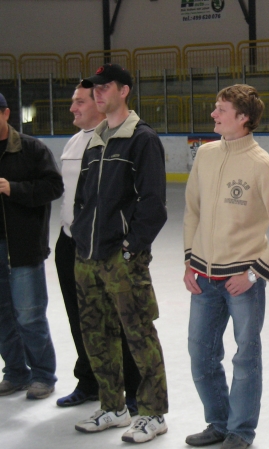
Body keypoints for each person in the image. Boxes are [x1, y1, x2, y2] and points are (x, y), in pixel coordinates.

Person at [183, 84, 269, 449]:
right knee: (201, 355)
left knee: (245, 358)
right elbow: (192, 211)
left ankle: (241, 431)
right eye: (215, 108)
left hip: (242, 281)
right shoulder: (205, 155)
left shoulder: (262, 164)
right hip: (203, 278)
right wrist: (189, 260)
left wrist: (255, 273)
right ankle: (218, 422)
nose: (213, 114)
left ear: (243, 117)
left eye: (221, 109)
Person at [70, 64, 168, 444]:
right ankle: (113, 406)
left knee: (139, 335)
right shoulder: (95, 140)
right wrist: (82, 240)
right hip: (88, 257)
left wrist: (128, 251)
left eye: (104, 86)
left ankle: (153, 413)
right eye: (94, 88)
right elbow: (83, 199)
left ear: (124, 90)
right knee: (96, 335)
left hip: (122, 260)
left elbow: (154, 205)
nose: (97, 93)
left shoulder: (142, 139)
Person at [54, 83, 141, 413]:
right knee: (81, 318)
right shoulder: (74, 141)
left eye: (80, 101)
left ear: (100, 103)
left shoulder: (118, 141)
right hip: (69, 242)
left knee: (119, 318)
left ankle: (132, 388)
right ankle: (90, 380)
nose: (73, 108)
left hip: (104, 245)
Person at [0, 92, 63, 399]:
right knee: (2, 316)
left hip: (23, 248)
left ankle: (43, 375)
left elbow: (54, 186)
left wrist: (13, 189)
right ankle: (15, 372)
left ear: (5, 114)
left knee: (29, 315)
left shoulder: (31, 148)